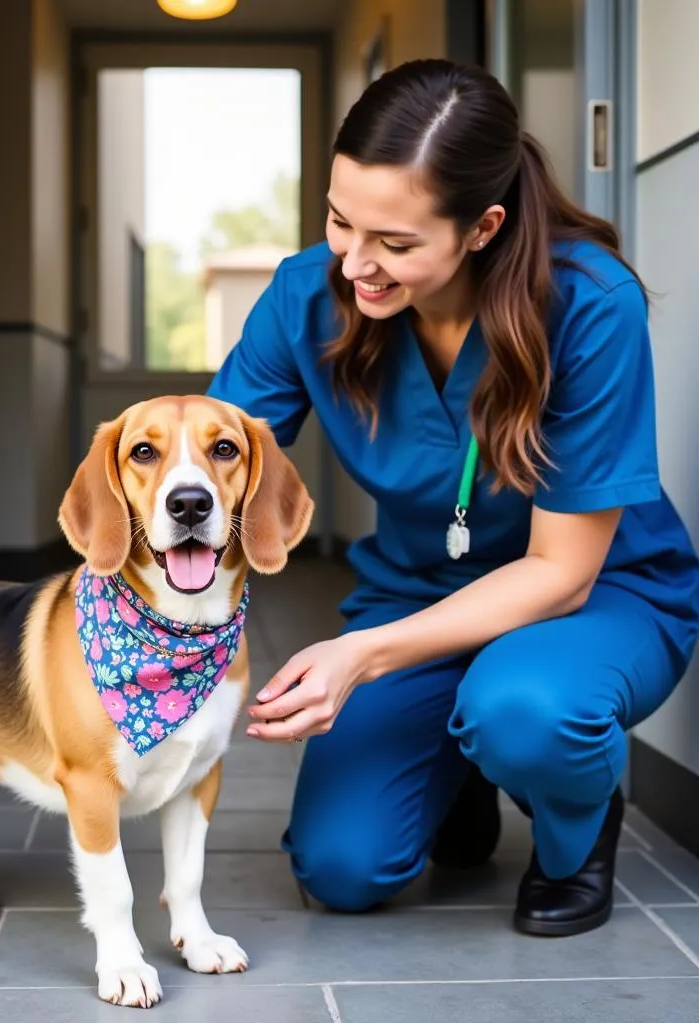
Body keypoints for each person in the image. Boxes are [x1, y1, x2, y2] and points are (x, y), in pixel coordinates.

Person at [206, 57, 699, 938]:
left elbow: (560, 573)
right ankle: (458, 772)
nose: (355, 263)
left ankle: (574, 835)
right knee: (342, 868)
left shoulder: (587, 304)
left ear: (483, 227)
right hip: (420, 593)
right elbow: (206, 462)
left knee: (525, 709)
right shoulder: (304, 297)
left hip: (594, 599)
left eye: (395, 244)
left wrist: (359, 658)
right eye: (338, 221)